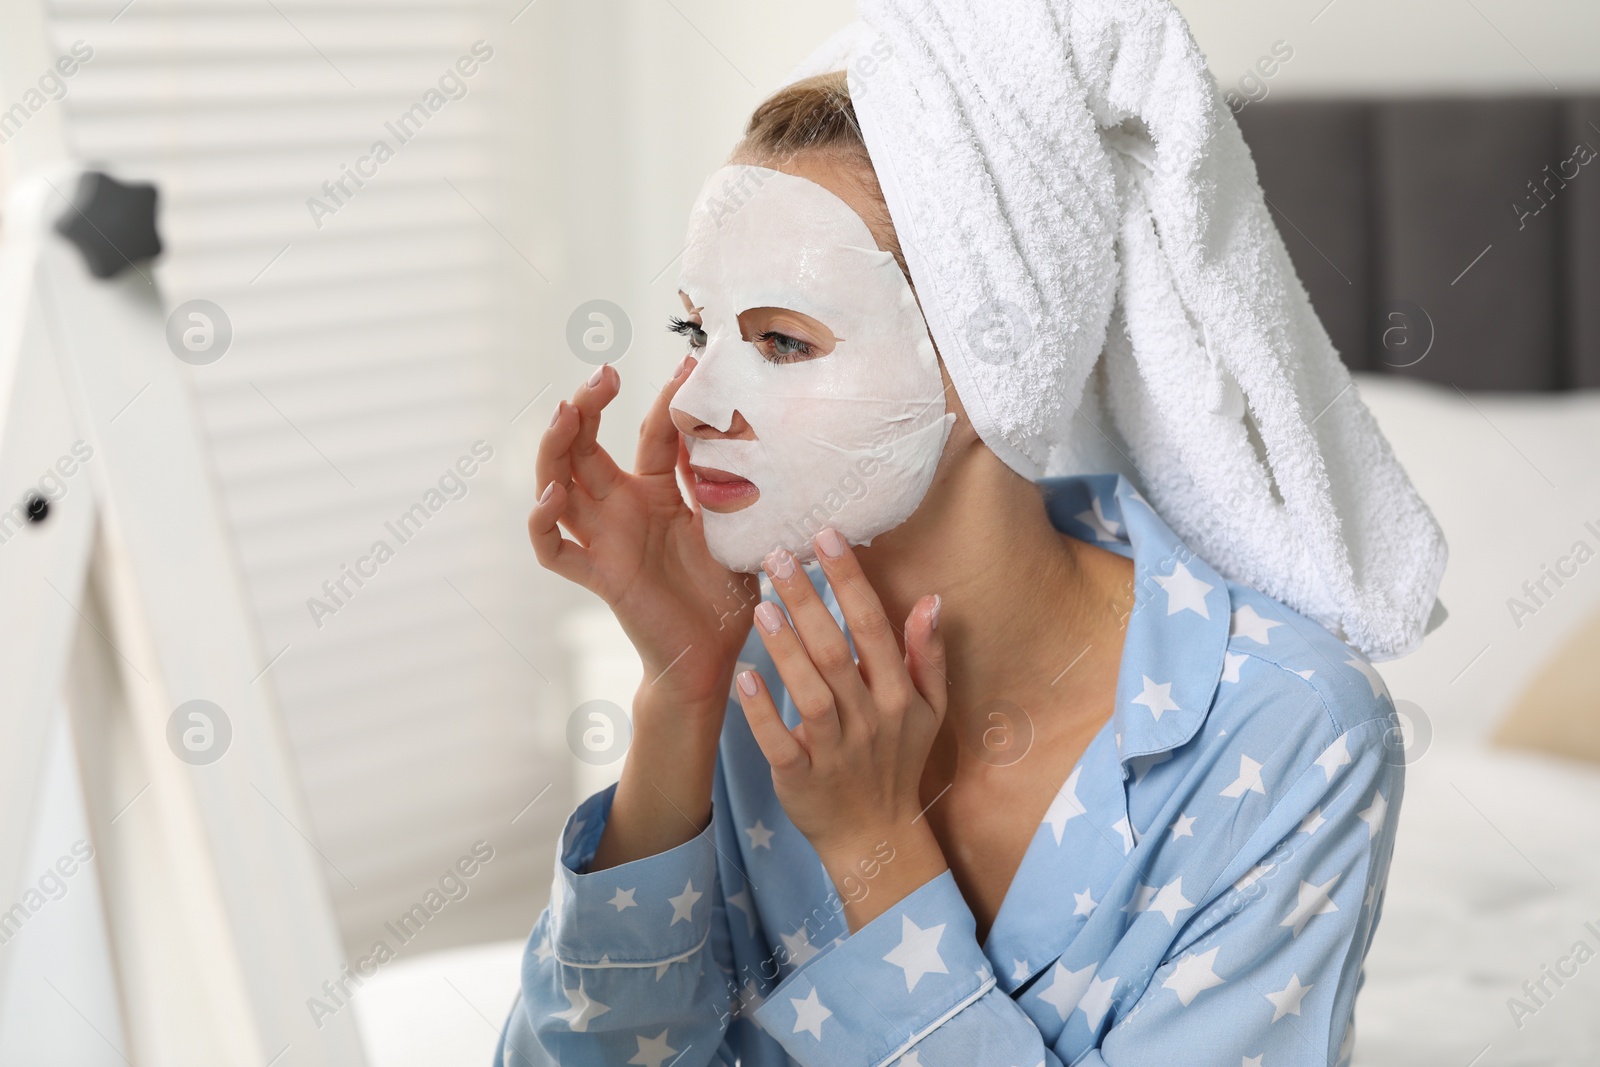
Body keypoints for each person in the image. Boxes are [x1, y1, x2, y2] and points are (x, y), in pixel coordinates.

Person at [494, 53, 1425, 1066]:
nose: (688, 404)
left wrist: (872, 847)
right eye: (698, 328)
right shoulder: (760, 668)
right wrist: (682, 695)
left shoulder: (1293, 731)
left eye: (781, 342)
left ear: (993, 368)